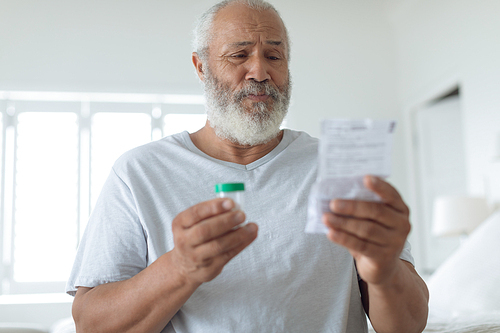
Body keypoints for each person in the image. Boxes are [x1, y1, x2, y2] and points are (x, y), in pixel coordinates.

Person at [67, 0, 429, 332]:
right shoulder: (139, 171)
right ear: (201, 67)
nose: (259, 72)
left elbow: (409, 325)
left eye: (274, 56)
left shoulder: (341, 165)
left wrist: (382, 271)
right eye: (239, 55)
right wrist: (179, 268)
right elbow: (91, 324)